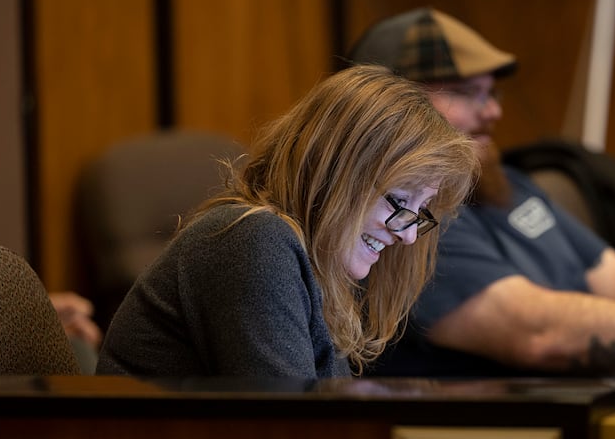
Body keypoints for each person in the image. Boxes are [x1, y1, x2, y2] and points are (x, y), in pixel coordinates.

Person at [346, 7, 615, 377]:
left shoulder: (508, 185)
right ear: (391, 106)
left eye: (492, 92)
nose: (493, 110)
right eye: (466, 92)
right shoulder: (408, 224)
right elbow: (539, 334)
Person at [96, 64, 478, 378]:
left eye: (421, 210)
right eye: (397, 200)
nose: (409, 235)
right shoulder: (253, 240)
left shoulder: (305, 260)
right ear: (333, 172)